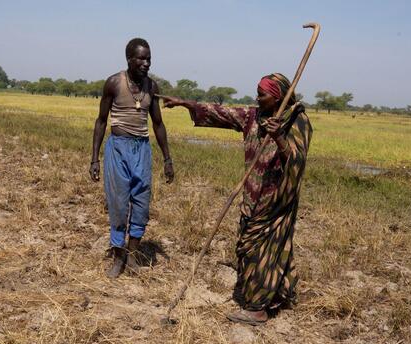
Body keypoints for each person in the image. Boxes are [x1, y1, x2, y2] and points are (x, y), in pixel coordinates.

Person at [160, 73, 312, 325]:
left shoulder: (297, 122)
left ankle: (257, 308)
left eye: (262, 94)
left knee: (263, 251)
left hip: (276, 200)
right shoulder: (253, 116)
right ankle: (276, 294)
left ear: (276, 98)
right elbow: (223, 113)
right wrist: (186, 103)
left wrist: (279, 138)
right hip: (252, 194)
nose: (257, 97)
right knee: (249, 246)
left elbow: (297, 162)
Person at [90, 38, 174, 278]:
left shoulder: (152, 87)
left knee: (141, 204)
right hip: (118, 148)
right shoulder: (114, 83)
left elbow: (157, 124)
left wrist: (167, 159)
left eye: (149, 58)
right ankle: (118, 258)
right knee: (118, 204)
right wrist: (94, 159)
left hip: (142, 150)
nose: (146, 63)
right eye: (141, 58)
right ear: (129, 59)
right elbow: (101, 121)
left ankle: (133, 255)